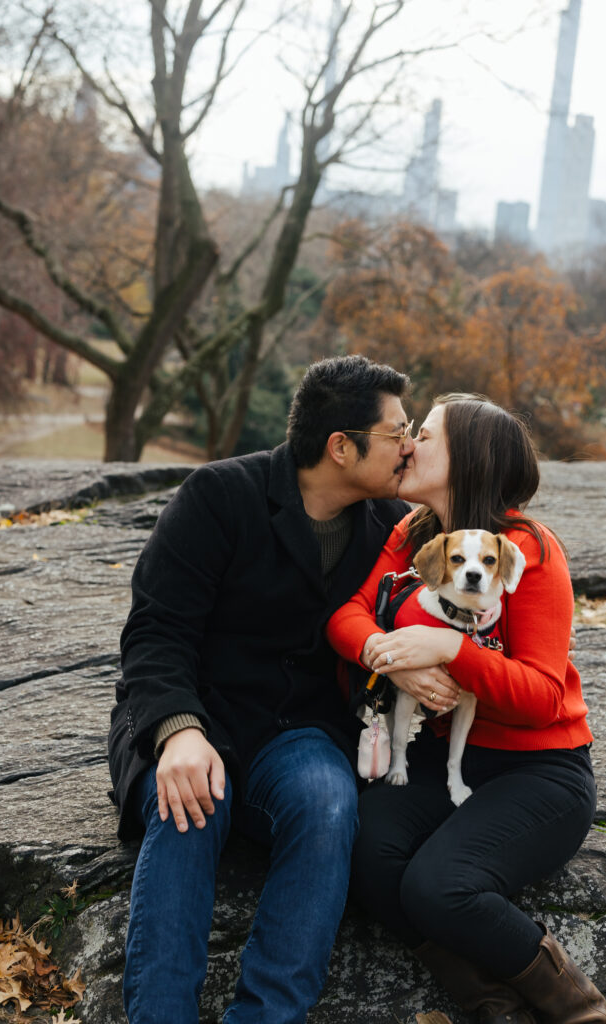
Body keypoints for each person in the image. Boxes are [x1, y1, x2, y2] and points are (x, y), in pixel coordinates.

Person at [107, 355, 427, 1024]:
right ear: (341, 446)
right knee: (189, 805)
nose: (411, 445)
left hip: (299, 733)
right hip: (199, 717)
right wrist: (177, 732)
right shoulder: (219, 495)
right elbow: (156, 633)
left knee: (328, 802)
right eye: (398, 432)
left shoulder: (392, 528)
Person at [326, 394, 606, 1024]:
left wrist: (450, 647)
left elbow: (542, 698)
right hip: (447, 762)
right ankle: (494, 1010)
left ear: (468, 461)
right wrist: (387, 651)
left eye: (424, 438)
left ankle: (585, 1013)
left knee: (438, 887)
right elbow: (347, 614)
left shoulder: (528, 551)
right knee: (362, 851)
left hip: (540, 773)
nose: (407, 445)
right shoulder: (415, 535)